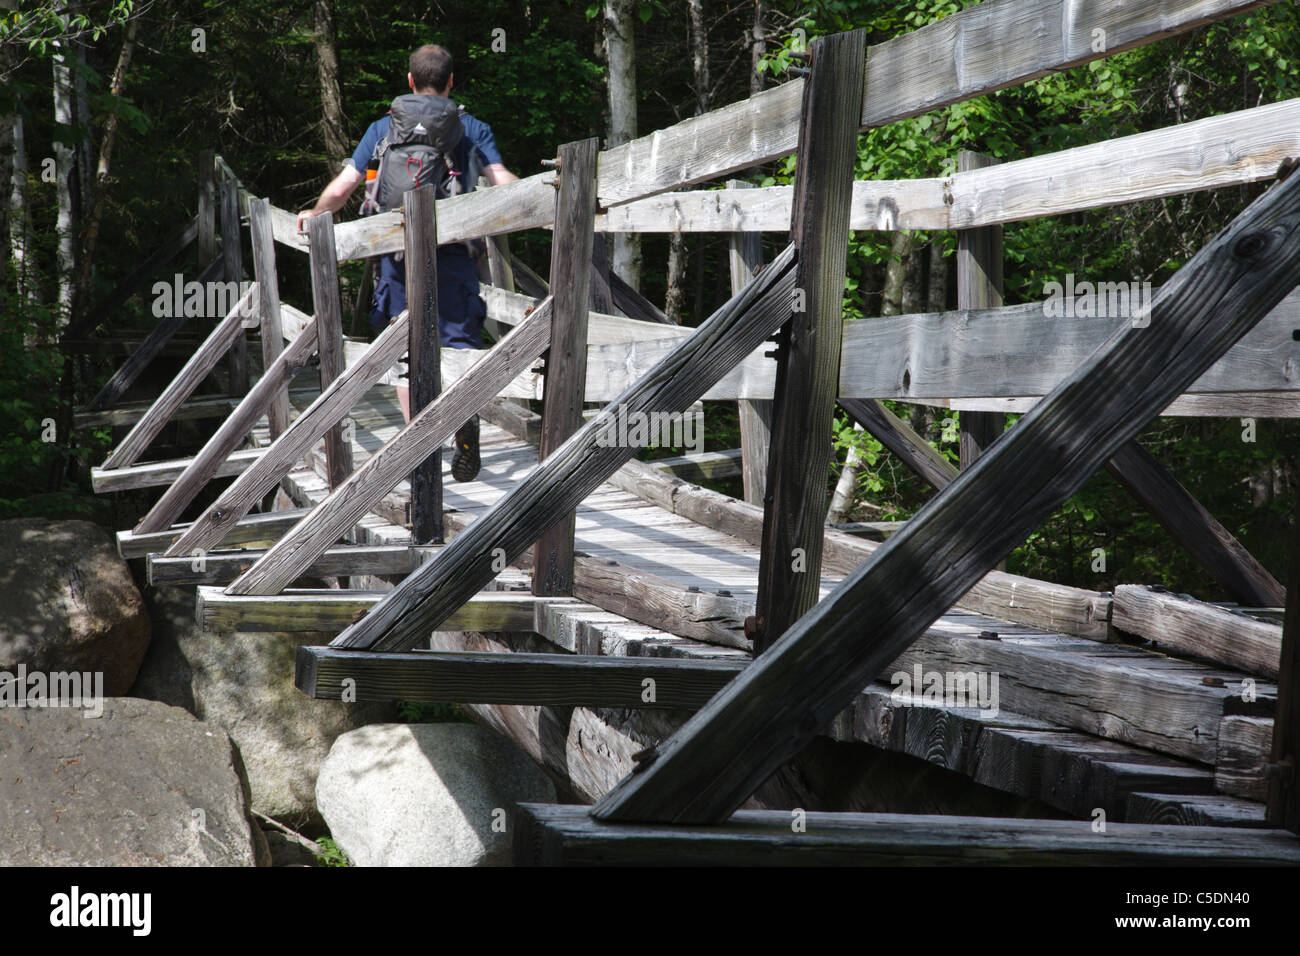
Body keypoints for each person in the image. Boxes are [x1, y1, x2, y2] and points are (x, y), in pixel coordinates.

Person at [296, 43, 518, 482]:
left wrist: (315, 213)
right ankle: (462, 419)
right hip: (454, 254)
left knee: (404, 346)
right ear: (451, 82)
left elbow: (345, 186)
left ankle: (422, 439)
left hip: (396, 257)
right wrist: (552, 193)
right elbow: (502, 182)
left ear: (410, 81)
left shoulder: (385, 128)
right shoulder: (470, 127)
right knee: (460, 343)